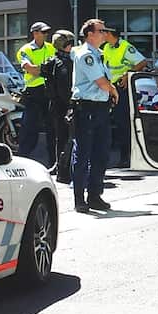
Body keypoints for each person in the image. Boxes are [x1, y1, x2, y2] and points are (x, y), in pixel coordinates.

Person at [70, 19, 120, 212]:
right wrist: (114, 92)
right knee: (83, 153)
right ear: (90, 34)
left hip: (100, 108)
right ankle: (79, 198)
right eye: (101, 30)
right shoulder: (85, 55)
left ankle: (95, 195)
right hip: (86, 108)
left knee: (101, 153)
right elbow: (101, 81)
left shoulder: (99, 54)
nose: (104, 34)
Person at [101, 27, 148, 168]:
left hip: (122, 88)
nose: (103, 35)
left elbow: (142, 62)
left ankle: (126, 157)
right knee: (115, 123)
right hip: (110, 88)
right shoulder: (107, 47)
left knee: (123, 123)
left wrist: (128, 74)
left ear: (111, 34)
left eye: (105, 32)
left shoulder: (125, 47)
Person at [17, 22, 57, 167]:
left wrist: (42, 69)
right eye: (43, 32)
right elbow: (30, 69)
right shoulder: (25, 50)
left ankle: (54, 161)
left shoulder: (51, 47)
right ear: (35, 33)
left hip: (49, 91)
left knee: (52, 127)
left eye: (46, 32)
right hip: (33, 92)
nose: (46, 35)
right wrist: (47, 70)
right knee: (29, 128)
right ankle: (22, 161)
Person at [41, 30, 76, 184]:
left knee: (59, 138)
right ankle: (64, 171)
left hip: (54, 104)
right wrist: (71, 104)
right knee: (68, 138)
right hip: (64, 105)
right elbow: (64, 87)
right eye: (70, 44)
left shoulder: (52, 61)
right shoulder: (64, 63)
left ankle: (60, 168)